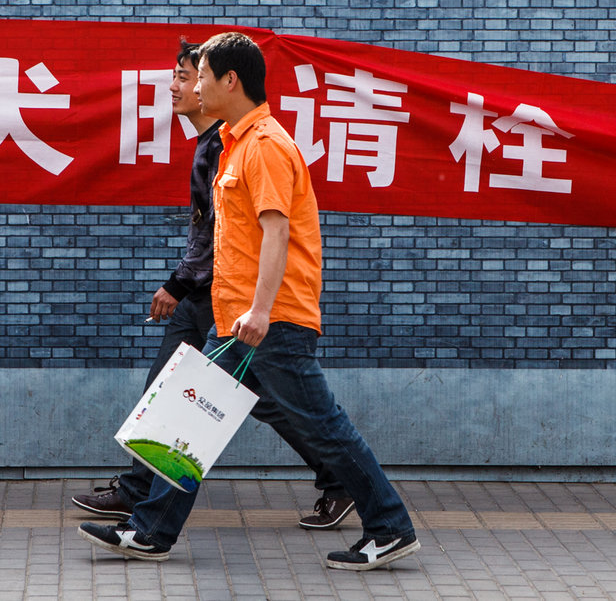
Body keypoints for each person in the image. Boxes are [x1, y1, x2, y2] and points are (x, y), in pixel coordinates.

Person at [79, 32, 420, 571]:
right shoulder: (237, 144)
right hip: (237, 320)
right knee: (192, 422)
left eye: (203, 74)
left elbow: (277, 231)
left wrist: (260, 310)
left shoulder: (264, 145)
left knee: (323, 427)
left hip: (271, 321)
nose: (195, 83)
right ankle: (150, 530)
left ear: (229, 81)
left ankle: (391, 527)